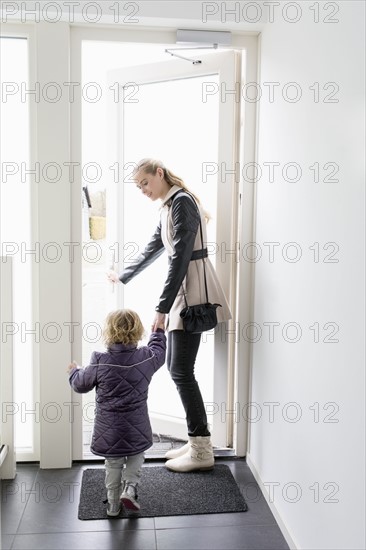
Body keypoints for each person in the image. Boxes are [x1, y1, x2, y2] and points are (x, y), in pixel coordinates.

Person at [107, 158, 232, 473]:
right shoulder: (170, 206)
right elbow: (154, 247)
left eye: (145, 183)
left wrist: (161, 309)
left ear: (158, 174)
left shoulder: (183, 203)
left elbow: (180, 260)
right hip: (185, 289)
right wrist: (124, 275)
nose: (143, 191)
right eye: (138, 187)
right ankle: (197, 440)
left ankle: (202, 449)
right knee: (181, 370)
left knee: (180, 370)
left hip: (192, 291)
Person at [67, 308, 166, 516]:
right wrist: (158, 331)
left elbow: (80, 385)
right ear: (138, 330)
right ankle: (130, 489)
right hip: (137, 425)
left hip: (109, 428)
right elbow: (159, 352)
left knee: (113, 462)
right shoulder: (146, 357)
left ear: (109, 331)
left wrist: (74, 370)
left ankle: (112, 504)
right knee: (137, 455)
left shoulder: (100, 360)